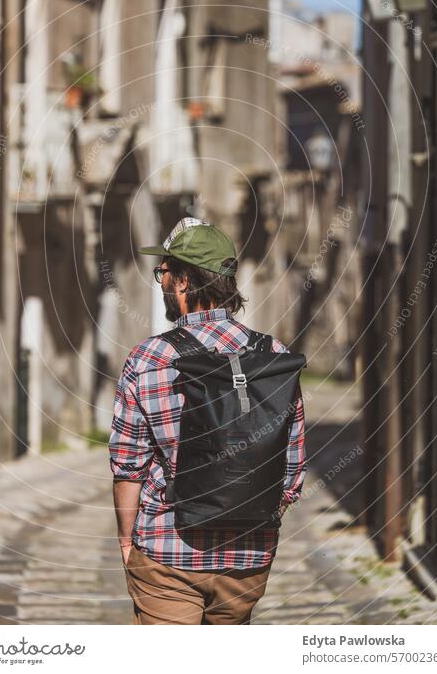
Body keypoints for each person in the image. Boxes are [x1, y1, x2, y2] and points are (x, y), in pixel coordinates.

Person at [109, 218, 307, 625]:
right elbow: (292, 467)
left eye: (163, 271)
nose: (160, 280)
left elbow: (129, 467)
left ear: (182, 281)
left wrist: (127, 540)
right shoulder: (273, 353)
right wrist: (248, 519)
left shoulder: (149, 359)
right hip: (249, 561)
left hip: (168, 554)